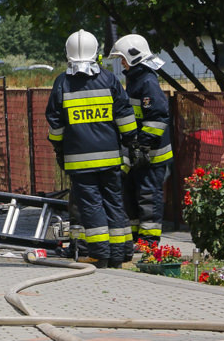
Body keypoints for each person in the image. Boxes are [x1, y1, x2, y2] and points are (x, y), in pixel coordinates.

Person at [46, 29, 137, 268]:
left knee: (92, 206)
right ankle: (119, 254)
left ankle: (100, 254)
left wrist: (59, 149)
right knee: (114, 202)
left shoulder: (62, 83)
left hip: (79, 161)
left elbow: (55, 125)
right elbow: (125, 115)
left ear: (68, 53)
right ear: (95, 52)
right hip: (110, 158)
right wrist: (131, 142)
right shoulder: (109, 80)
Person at [109, 34, 173, 247]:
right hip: (139, 153)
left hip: (152, 154)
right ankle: (137, 237)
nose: (121, 63)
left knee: (148, 196)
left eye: (123, 58)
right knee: (132, 195)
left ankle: (149, 241)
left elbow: (158, 115)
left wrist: (144, 143)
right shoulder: (136, 79)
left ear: (134, 57)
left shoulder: (147, 81)